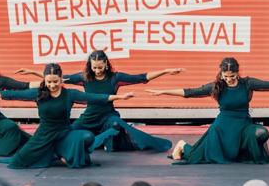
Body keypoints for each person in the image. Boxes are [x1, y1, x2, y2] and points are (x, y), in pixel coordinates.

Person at [147, 57, 269, 164]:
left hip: (243, 125)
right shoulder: (217, 86)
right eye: (226, 76)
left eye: (232, 76)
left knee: (261, 133)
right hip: (221, 128)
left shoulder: (247, 83)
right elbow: (190, 92)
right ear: (221, 74)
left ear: (237, 73)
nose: (229, 79)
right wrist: (163, 91)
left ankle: (245, 152)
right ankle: (183, 146)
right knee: (197, 157)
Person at [0, 63, 134, 169]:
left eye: (55, 81)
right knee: (17, 163)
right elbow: (11, 95)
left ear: (61, 79)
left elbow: (94, 97)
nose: (52, 85)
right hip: (44, 135)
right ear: (44, 80)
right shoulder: (38, 93)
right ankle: (55, 154)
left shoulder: (70, 94)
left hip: (64, 133)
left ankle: (62, 153)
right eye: (49, 82)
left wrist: (119, 97)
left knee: (87, 136)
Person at [15, 50, 180, 152]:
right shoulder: (84, 77)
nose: (97, 70)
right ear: (90, 65)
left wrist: (165, 71)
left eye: (100, 67)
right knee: (68, 132)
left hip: (108, 116)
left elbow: (141, 77)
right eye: (94, 67)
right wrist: (33, 72)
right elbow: (57, 79)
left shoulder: (116, 78)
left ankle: (110, 143)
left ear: (106, 64)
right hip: (89, 117)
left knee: (116, 124)